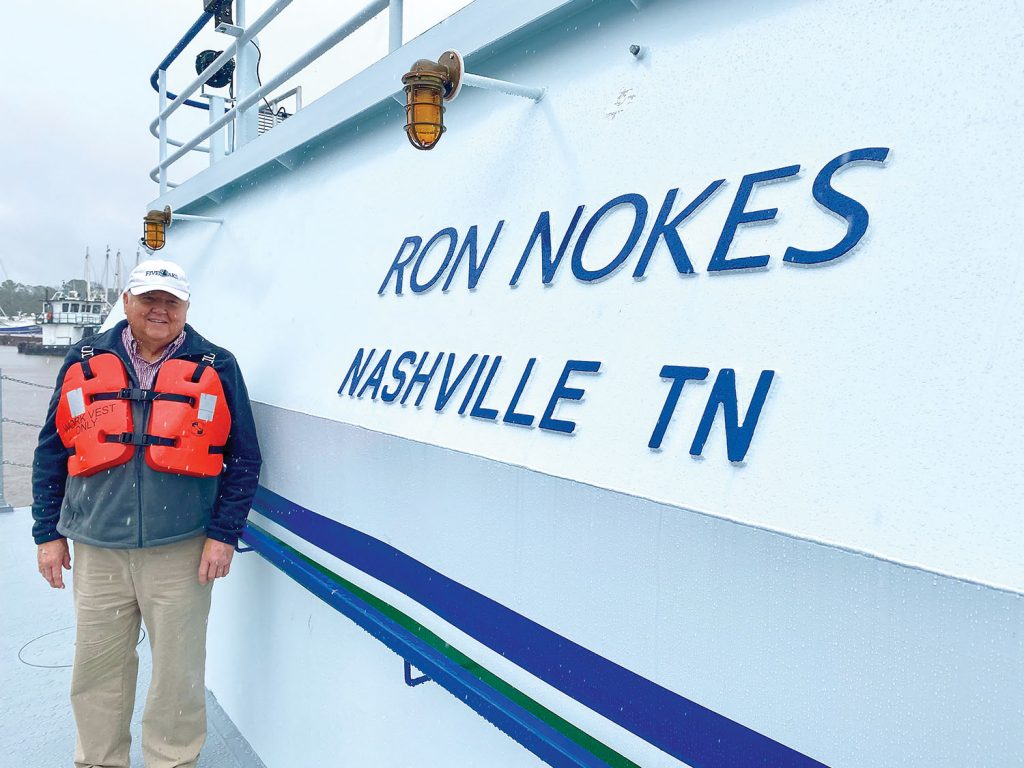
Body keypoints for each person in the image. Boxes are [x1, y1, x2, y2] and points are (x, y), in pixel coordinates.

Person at [32, 258, 262, 768]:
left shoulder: (219, 365)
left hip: (180, 547)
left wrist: (224, 535)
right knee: (96, 669)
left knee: (178, 675)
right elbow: (52, 449)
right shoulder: (82, 358)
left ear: (186, 307)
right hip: (97, 546)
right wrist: (47, 533)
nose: (160, 309)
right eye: (149, 298)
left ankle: (173, 761)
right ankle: (98, 760)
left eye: (171, 301)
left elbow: (245, 457)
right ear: (128, 301)